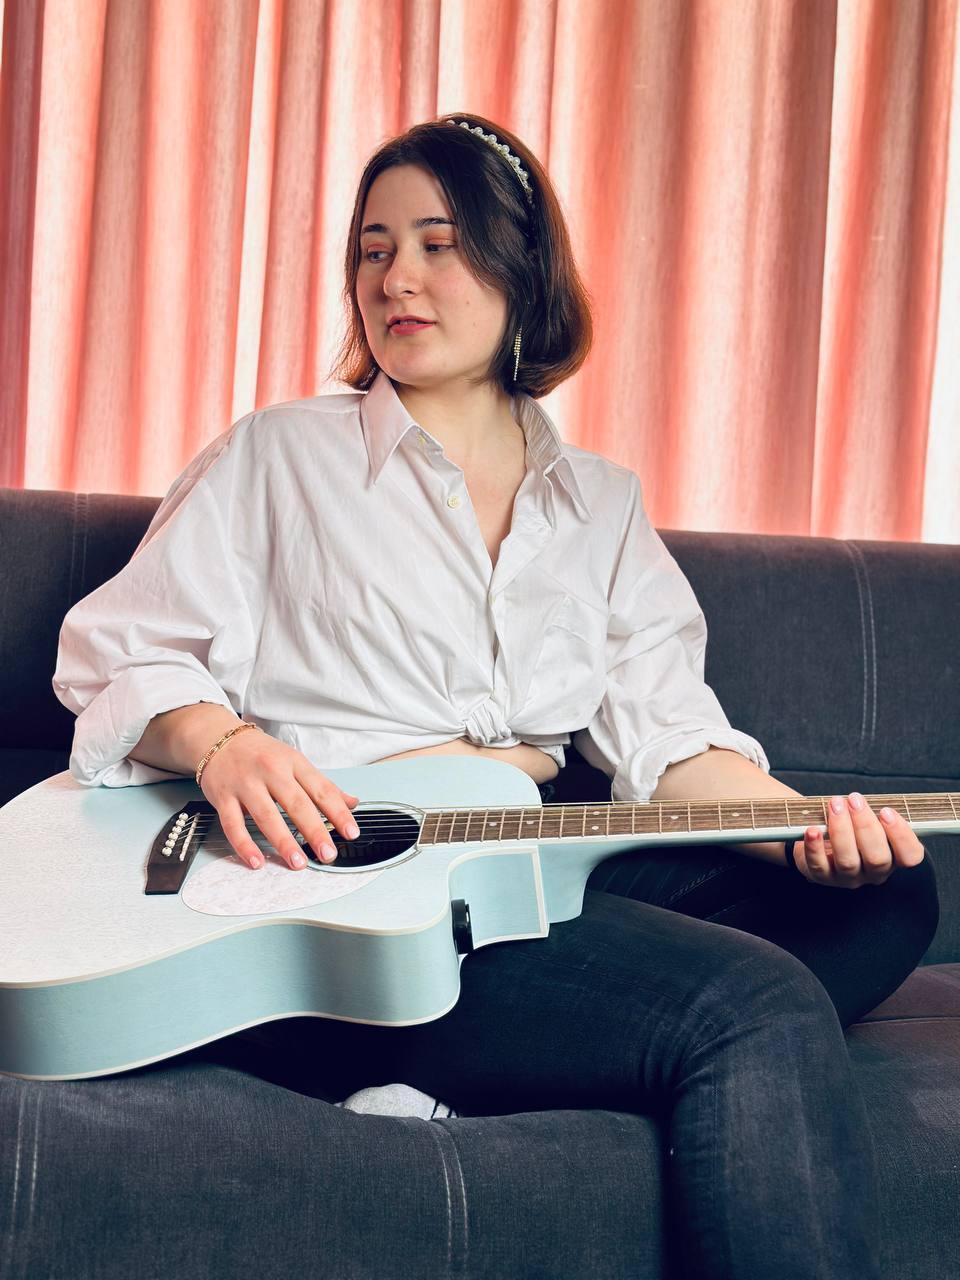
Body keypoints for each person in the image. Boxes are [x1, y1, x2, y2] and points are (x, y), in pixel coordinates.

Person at [53, 112, 939, 1279]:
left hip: (526, 864)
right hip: (353, 888)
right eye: (374, 249)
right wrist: (222, 743)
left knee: (889, 896)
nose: (396, 278)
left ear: (522, 272)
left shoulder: (601, 506)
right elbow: (114, 653)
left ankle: (474, 1068)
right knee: (752, 1004)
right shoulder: (277, 455)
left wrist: (807, 828)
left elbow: (671, 745)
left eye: (439, 244)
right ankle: (449, 1034)